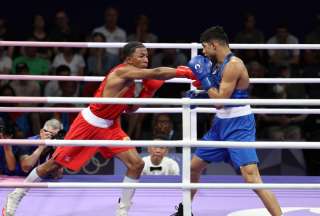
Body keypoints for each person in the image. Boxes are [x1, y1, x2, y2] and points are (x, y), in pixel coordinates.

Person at [2, 41, 195, 216]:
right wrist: (183, 72)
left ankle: (123, 210)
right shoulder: (122, 72)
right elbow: (156, 73)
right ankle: (16, 195)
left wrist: (148, 91)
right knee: (53, 164)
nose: (146, 59)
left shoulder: (132, 78)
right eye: (141, 55)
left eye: (147, 55)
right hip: (88, 124)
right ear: (128, 59)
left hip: (111, 126)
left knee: (136, 164)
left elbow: (130, 108)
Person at [170, 26, 282, 216]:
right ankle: (185, 210)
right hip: (220, 125)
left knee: (252, 178)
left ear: (214, 45)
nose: (203, 51)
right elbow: (218, 94)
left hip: (239, 125)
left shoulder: (234, 65)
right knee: (193, 168)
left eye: (205, 47)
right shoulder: (216, 64)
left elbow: (220, 101)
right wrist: (199, 95)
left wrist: (204, 79)